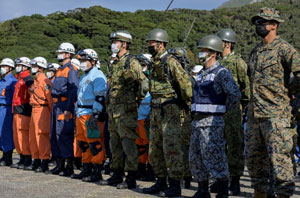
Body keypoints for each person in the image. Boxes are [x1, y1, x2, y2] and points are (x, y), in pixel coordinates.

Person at [246, 7, 300, 198]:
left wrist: (290, 91)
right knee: (254, 161)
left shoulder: (284, 49)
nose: (258, 25)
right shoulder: (255, 51)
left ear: (274, 25)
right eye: (257, 22)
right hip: (255, 116)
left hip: (276, 116)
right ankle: (259, 194)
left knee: (280, 164)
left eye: (263, 22)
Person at [142, 28, 192, 197]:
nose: (149, 46)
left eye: (152, 43)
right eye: (148, 43)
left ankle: (175, 184)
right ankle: (161, 181)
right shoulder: (153, 63)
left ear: (161, 44)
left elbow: (185, 86)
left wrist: (185, 106)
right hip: (155, 109)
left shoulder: (170, 62)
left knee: (171, 148)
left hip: (170, 109)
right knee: (154, 149)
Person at [190, 35, 241, 198]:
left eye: (203, 50)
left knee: (215, 157)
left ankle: (222, 192)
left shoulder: (221, 72)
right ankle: (202, 190)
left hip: (213, 123)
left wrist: (226, 111)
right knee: (196, 157)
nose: (201, 53)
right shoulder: (202, 73)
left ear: (213, 53)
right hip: (197, 122)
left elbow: (234, 94)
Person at [100, 30, 147, 189]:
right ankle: (116, 173)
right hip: (113, 109)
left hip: (126, 110)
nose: (113, 44)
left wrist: (135, 100)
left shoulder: (131, 62)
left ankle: (131, 176)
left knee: (128, 143)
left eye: (116, 41)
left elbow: (143, 84)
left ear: (124, 44)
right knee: (114, 143)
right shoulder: (114, 63)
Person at [209, 28, 250, 195]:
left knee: (234, 146)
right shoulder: (216, 63)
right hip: (216, 110)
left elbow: (246, 89)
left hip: (232, 111)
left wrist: (238, 105)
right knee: (218, 146)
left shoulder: (238, 62)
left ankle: (235, 181)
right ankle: (220, 180)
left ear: (227, 44)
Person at [71, 49, 107, 183]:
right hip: (80, 113)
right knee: (82, 142)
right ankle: (86, 168)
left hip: (90, 113)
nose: (82, 63)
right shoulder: (83, 76)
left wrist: (96, 114)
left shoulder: (98, 76)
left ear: (93, 61)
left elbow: (100, 96)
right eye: (81, 61)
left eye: (85, 61)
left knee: (94, 142)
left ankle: (97, 171)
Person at [50, 42, 79, 177]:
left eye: (61, 52)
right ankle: (59, 164)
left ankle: (69, 166)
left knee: (64, 135)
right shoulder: (59, 70)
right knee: (54, 136)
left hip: (64, 106)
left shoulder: (71, 70)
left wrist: (68, 109)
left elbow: (73, 90)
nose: (59, 54)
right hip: (56, 106)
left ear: (68, 54)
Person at [26, 57, 53, 173]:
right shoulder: (35, 80)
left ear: (41, 67)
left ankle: (44, 161)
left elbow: (50, 98)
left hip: (43, 110)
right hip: (34, 109)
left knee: (41, 136)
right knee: (32, 136)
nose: (33, 68)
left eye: (34, 66)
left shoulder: (45, 81)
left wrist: (51, 113)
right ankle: (36, 159)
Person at [11, 57, 34, 169]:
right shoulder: (19, 78)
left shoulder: (28, 79)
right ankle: (21, 157)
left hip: (24, 110)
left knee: (23, 135)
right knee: (17, 136)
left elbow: (32, 95)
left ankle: (27, 158)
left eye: (19, 65)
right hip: (16, 110)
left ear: (25, 66)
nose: (17, 67)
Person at [0, 58, 17, 166]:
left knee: (6, 133)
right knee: (0, 132)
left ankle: (8, 157)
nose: (2, 68)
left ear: (10, 68)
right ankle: (3, 155)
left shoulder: (12, 81)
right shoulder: (2, 80)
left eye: (4, 66)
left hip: (6, 109)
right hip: (0, 108)